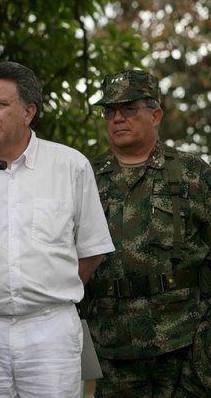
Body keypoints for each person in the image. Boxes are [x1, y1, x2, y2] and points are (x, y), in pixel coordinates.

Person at [0, 61, 114, 397]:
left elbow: (91, 250)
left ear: (29, 112)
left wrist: (48, 288)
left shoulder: (70, 165)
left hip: (50, 330)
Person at [86, 69, 211, 398]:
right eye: (109, 111)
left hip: (182, 343)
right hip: (112, 349)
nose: (117, 119)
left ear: (155, 115)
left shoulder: (192, 174)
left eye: (128, 109)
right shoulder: (85, 178)